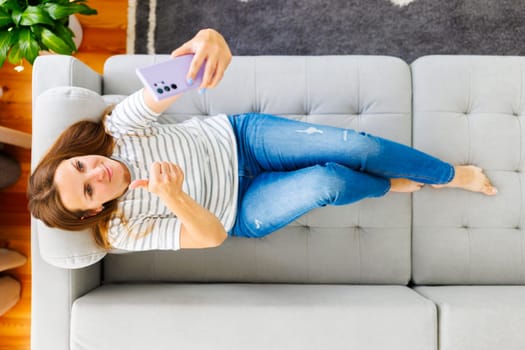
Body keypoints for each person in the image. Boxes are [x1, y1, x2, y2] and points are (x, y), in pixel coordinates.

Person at [28, 29, 497, 252]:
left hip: (242, 140)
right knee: (328, 182)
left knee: (359, 149)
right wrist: (172, 196)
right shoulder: (122, 230)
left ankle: (449, 175)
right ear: (92, 211)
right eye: (89, 189)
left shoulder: (117, 132)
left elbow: (174, 80)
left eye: (80, 167)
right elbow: (211, 238)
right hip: (242, 208)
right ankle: (385, 186)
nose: (97, 173)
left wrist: (207, 43)